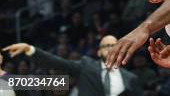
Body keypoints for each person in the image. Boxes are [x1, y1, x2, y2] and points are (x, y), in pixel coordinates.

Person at [3, 35, 142, 96]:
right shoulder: (83, 68)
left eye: (113, 45)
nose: (110, 48)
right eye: (106, 45)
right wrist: (30, 49)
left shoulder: (130, 79)